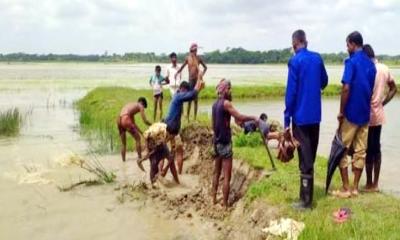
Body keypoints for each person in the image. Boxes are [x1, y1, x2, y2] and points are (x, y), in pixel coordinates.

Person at [284, 30, 328, 210]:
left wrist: (286, 121)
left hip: (300, 118)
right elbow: (324, 82)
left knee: (304, 158)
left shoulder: (295, 61)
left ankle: (306, 202)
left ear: (295, 44)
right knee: (310, 156)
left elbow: (291, 93)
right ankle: (305, 197)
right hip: (315, 116)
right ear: (306, 42)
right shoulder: (317, 59)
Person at [335, 31, 376, 198]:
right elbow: (369, 89)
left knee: (342, 149)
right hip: (365, 113)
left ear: (353, 44)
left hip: (350, 113)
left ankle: (346, 187)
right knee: (361, 151)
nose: (347, 48)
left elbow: (346, 88)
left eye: (347, 45)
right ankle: (355, 188)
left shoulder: (350, 63)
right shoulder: (371, 65)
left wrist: (341, 112)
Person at [212, 79, 258, 209]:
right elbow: (240, 116)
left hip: (216, 142)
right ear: (225, 90)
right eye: (229, 88)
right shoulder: (226, 104)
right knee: (227, 175)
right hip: (225, 143)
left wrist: (215, 140)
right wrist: (254, 117)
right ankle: (225, 205)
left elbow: (213, 125)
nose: (231, 91)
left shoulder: (215, 104)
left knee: (216, 172)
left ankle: (213, 199)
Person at [362, 44, 397, 192]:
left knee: (368, 149)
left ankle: (370, 183)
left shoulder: (366, 69)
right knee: (377, 148)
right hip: (378, 114)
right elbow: (394, 88)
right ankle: (375, 183)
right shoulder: (384, 68)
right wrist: (383, 102)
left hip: (366, 115)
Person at [163, 74, 205, 174]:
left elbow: (192, 95)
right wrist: (198, 79)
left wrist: (199, 86)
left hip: (169, 127)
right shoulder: (179, 96)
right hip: (172, 128)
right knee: (178, 151)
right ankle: (177, 174)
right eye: (186, 91)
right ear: (183, 89)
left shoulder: (177, 96)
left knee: (171, 151)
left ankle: (165, 171)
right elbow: (192, 95)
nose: (186, 93)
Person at [175, 43, 207, 121]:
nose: (194, 52)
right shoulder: (188, 58)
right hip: (190, 80)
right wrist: (177, 73)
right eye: (193, 50)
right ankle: (188, 117)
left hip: (197, 80)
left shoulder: (198, 58)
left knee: (196, 100)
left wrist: (201, 74)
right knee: (189, 98)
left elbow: (205, 67)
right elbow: (182, 67)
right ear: (191, 50)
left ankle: (195, 118)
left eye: (196, 50)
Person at [117, 97, 152, 162]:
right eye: (144, 107)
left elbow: (133, 124)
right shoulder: (140, 105)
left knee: (123, 144)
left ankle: (123, 162)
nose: (142, 109)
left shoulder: (131, 106)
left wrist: (142, 133)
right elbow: (145, 121)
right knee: (138, 139)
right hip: (126, 119)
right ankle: (140, 158)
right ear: (142, 103)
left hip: (119, 119)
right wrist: (153, 125)